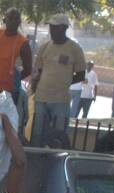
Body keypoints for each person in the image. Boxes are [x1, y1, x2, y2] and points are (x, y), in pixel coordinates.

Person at [30, 14, 85, 148]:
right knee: (37, 134)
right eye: (51, 27)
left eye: (55, 27)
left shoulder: (74, 48)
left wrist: (64, 82)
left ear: (64, 28)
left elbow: (81, 74)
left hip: (60, 100)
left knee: (58, 136)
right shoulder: (45, 47)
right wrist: (34, 89)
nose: (51, 30)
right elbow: (38, 71)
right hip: (41, 97)